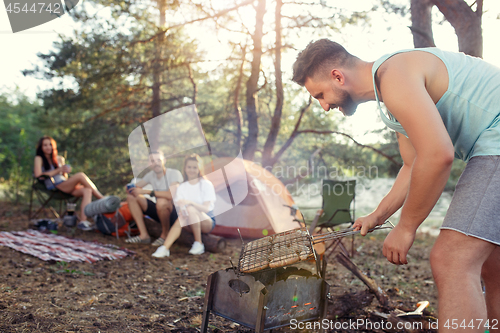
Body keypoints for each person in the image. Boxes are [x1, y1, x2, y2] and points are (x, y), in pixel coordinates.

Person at [292, 39, 500, 330]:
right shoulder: (390, 92)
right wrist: (379, 215)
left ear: (338, 76)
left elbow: (438, 155)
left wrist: (406, 227)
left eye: (320, 95)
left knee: (452, 260)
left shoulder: (394, 75)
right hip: (492, 141)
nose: (324, 106)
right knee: (492, 267)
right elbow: (413, 164)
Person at [34, 136, 104, 230]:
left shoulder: (59, 159)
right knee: (80, 175)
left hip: (65, 184)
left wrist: (65, 171)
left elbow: (64, 177)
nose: (48, 147)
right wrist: (58, 170)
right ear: (41, 147)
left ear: (54, 146)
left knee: (87, 190)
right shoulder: (39, 158)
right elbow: (38, 175)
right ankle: (103, 200)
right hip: (54, 185)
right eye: (45, 145)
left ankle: (83, 222)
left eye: (50, 145)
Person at [152, 154, 216, 257]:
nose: (191, 170)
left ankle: (198, 243)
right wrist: (183, 208)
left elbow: (206, 208)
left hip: (206, 221)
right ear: (185, 168)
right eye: (189, 167)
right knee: (182, 216)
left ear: (199, 169)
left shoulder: (206, 184)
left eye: (195, 167)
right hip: (188, 220)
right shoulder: (182, 187)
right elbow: (180, 206)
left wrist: (190, 203)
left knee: (190, 209)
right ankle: (165, 248)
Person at [125, 150, 183, 246]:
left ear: (164, 160)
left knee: (162, 201)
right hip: (160, 210)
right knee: (132, 197)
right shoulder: (150, 175)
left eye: (158, 160)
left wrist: (147, 191)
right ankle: (144, 235)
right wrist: (130, 188)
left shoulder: (174, 174)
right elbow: (136, 187)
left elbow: (170, 195)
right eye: (152, 161)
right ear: (149, 164)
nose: (156, 163)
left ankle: (164, 235)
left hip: (175, 213)